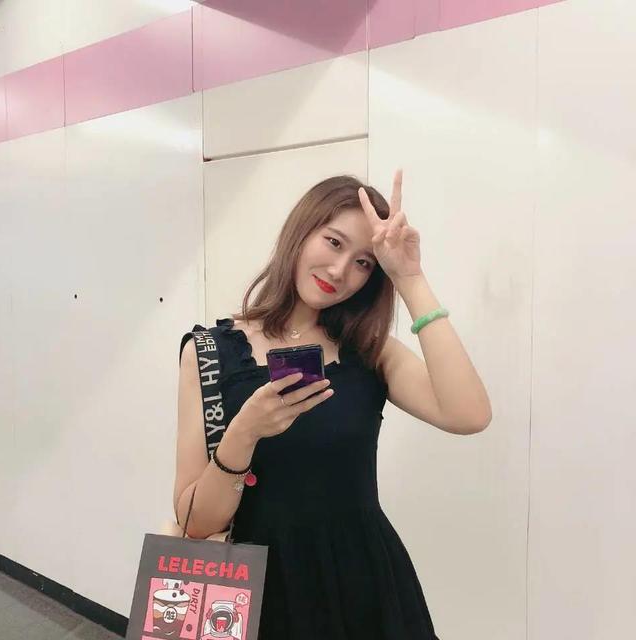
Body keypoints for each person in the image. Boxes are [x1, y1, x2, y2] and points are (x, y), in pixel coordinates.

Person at [174, 170, 492, 639]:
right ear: (301, 232)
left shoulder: (369, 352)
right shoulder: (209, 353)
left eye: (364, 262)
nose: (341, 271)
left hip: (361, 582)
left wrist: (410, 277)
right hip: (257, 594)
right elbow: (196, 522)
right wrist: (244, 432)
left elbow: (469, 414)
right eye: (334, 242)